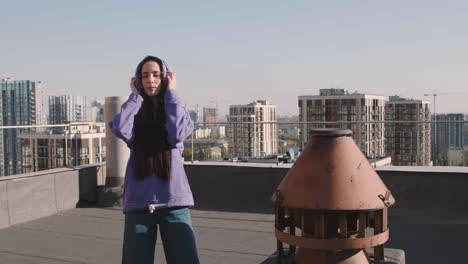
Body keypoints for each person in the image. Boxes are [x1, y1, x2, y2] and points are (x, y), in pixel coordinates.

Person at [108, 55, 199, 264]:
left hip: (174, 201)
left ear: (165, 77)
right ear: (138, 80)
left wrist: (171, 93)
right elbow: (120, 128)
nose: (151, 80)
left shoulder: (175, 110)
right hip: (139, 203)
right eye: (145, 75)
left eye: (156, 75)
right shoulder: (135, 113)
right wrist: (134, 97)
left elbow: (177, 134)